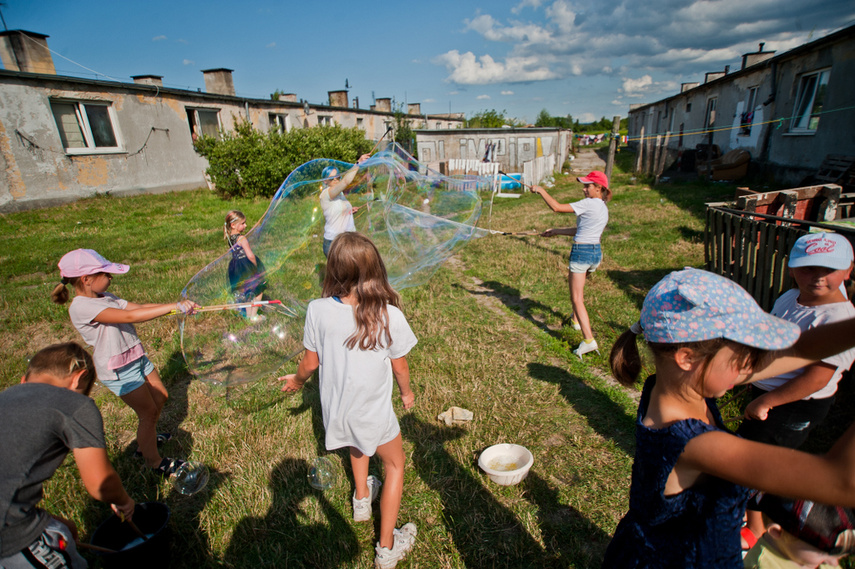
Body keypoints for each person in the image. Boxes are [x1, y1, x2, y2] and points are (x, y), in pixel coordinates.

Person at [603, 267, 855, 568]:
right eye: (743, 355)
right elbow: (843, 481)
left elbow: (800, 348)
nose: (753, 365)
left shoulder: (677, 385)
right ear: (686, 357)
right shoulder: (696, 445)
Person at [279, 232, 418, 569]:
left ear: (334, 270)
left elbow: (310, 363)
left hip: (338, 412)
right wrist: (407, 393)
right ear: (375, 271)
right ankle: (387, 549)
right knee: (395, 465)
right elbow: (400, 366)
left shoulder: (317, 310)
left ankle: (361, 498)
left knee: (358, 444)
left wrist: (297, 380)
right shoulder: (388, 315)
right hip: (374, 414)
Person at [739, 232, 855, 541]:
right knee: (752, 453)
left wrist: (769, 401)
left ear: (848, 270)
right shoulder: (789, 298)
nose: (817, 277)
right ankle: (750, 513)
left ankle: (755, 529)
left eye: (828, 270)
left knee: (758, 462)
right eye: (808, 268)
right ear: (792, 269)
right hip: (768, 394)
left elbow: (817, 378)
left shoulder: (839, 320)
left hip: (794, 403)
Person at [52, 249, 197, 477]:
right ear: (86, 279)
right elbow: (129, 317)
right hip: (119, 369)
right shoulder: (81, 307)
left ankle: (146, 439)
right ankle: (153, 461)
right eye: (106, 274)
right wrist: (174, 308)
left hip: (135, 356)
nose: (111, 278)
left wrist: (177, 305)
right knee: (148, 413)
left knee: (161, 396)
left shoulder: (105, 297)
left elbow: (136, 308)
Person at [0, 343, 135, 569]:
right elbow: (100, 483)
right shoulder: (75, 405)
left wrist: (56, 525)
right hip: (11, 541)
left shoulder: (7, 396)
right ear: (78, 378)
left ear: (25, 379)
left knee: (66, 529)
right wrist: (124, 501)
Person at [531, 171, 611, 359]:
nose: (583, 189)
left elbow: (557, 207)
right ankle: (576, 321)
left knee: (576, 298)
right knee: (579, 291)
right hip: (595, 253)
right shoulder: (602, 207)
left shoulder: (588, 203)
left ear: (599, 188)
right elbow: (581, 229)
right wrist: (556, 231)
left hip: (581, 253)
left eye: (587, 186)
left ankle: (589, 340)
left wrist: (541, 190)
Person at [743, 493, 855, 568]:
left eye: (839, 554)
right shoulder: (763, 565)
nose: (834, 564)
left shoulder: (800, 554)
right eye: (824, 553)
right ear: (776, 532)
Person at [320, 154, 371, 258]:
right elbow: (346, 182)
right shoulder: (326, 194)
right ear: (325, 181)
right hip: (334, 242)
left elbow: (336, 208)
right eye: (332, 178)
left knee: (349, 271)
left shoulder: (339, 193)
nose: (336, 180)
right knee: (343, 273)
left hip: (346, 239)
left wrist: (348, 210)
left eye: (338, 177)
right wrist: (358, 163)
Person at [224, 210, 267, 320]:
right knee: (258, 289)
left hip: (236, 267)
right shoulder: (241, 238)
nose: (245, 225)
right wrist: (256, 267)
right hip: (246, 266)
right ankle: (254, 315)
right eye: (242, 223)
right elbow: (250, 255)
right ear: (233, 225)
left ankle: (248, 316)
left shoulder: (229, 237)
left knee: (246, 291)